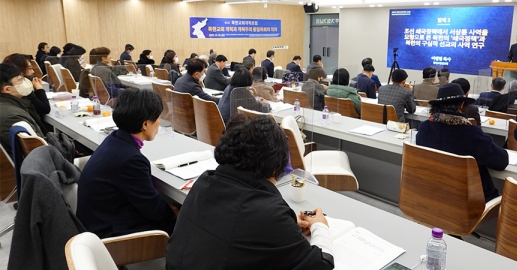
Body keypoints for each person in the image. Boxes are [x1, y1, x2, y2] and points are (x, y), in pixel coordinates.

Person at [166, 114, 334, 270]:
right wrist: (320, 226)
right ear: (276, 164)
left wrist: (287, 222)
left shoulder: (205, 181)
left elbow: (235, 222)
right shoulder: (268, 212)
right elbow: (321, 264)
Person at [77, 88, 177, 238]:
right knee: (186, 226)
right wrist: (174, 213)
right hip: (109, 235)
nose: (159, 123)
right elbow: (153, 210)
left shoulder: (115, 139)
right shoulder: (131, 160)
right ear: (145, 124)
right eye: (157, 118)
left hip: (95, 221)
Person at [416, 83, 509, 202]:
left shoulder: (424, 128)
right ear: (462, 105)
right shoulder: (471, 134)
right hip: (470, 201)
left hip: (433, 195)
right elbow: (501, 161)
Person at [0, 63, 48, 156]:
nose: (25, 80)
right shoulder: (12, 117)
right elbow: (39, 153)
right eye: (20, 79)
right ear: (7, 89)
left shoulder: (15, 103)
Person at [2, 54, 50, 119]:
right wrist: (39, 89)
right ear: (20, 71)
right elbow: (44, 109)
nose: (32, 71)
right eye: (30, 68)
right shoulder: (21, 89)